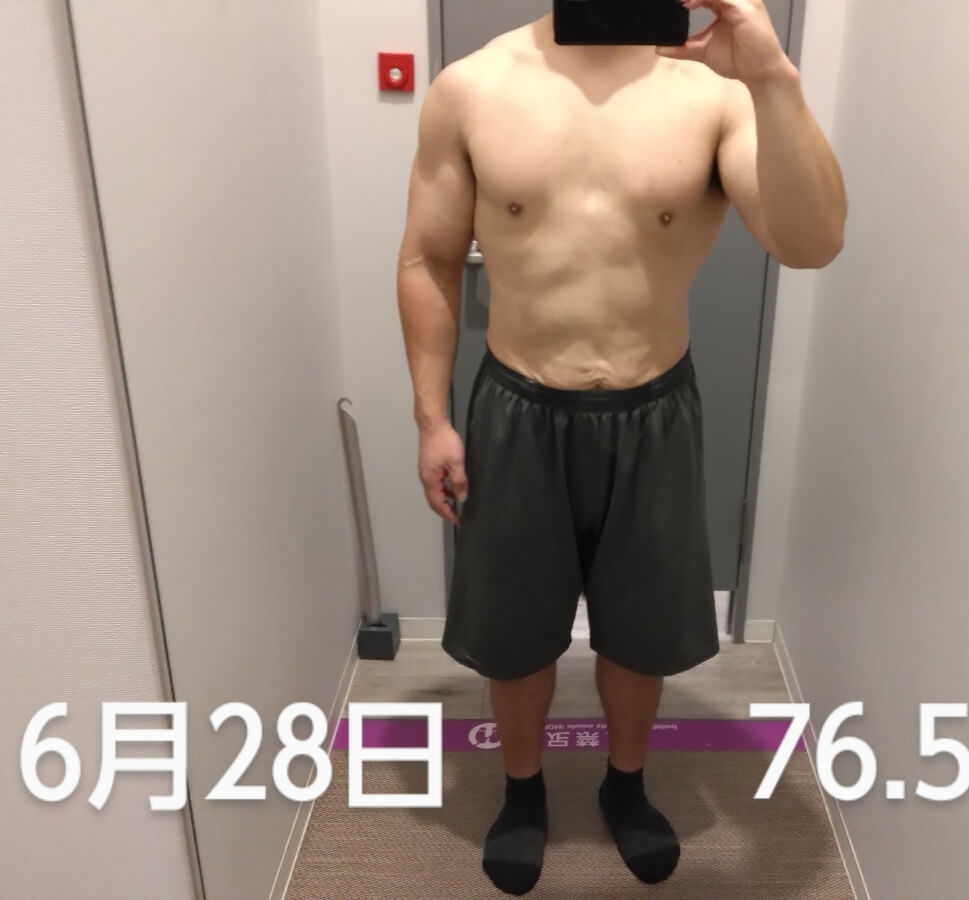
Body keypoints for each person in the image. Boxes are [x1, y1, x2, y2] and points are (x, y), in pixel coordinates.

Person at [396, 0, 845, 894]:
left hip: (654, 409)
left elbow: (812, 243)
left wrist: (772, 76)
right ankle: (523, 792)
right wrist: (432, 419)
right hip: (518, 407)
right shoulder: (473, 88)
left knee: (639, 634)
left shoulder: (714, 93)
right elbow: (429, 259)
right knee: (517, 635)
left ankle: (626, 785)